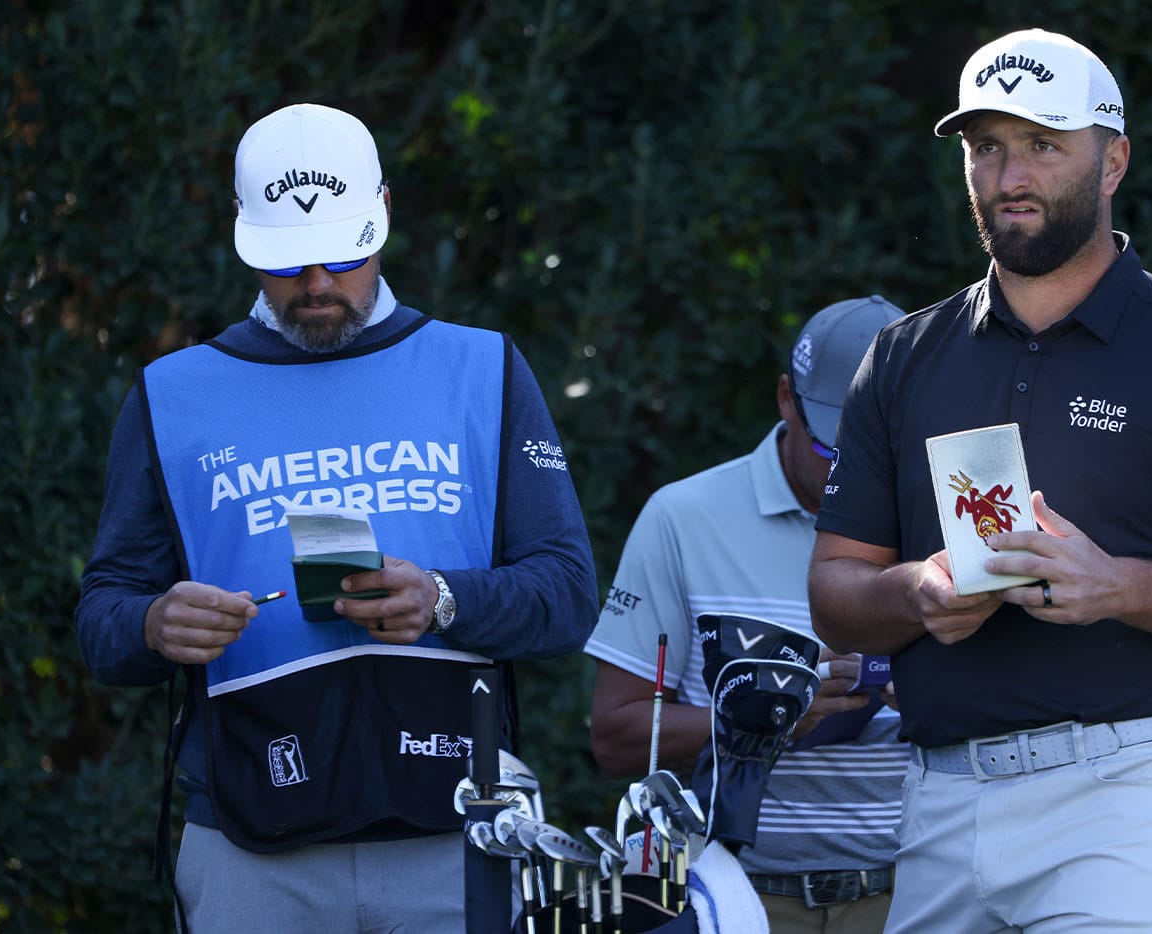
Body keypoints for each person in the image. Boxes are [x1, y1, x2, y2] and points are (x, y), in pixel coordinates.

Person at [807, 29, 1152, 934]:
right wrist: (917, 592)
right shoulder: (902, 358)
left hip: (1131, 797)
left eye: (1043, 144)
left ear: (1113, 160)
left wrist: (1117, 586)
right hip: (940, 801)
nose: (1009, 176)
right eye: (985, 146)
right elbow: (836, 593)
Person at [74, 102, 598, 931]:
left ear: (384, 213)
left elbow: (568, 595)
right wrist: (152, 623)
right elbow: (101, 617)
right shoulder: (173, 393)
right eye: (288, 261)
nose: (318, 283)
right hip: (250, 845)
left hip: (453, 829)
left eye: (343, 254)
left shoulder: (482, 367)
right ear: (241, 230)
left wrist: (444, 599)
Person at [586, 296, 910, 933]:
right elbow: (615, 735)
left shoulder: (951, 515)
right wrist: (756, 719)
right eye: (834, 446)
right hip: (736, 898)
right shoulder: (683, 518)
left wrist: (934, 694)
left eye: (880, 448)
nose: (857, 473)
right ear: (786, 398)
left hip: (913, 896)